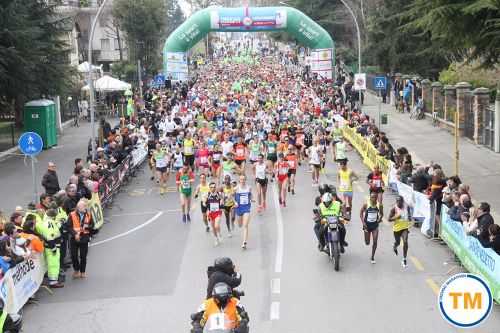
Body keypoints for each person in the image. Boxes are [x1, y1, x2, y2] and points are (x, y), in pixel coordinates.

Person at [36, 204, 64, 288]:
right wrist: (54, 248)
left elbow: (55, 227)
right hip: (52, 247)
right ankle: (53, 281)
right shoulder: (49, 223)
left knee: (51, 263)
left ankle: (53, 279)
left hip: (49, 246)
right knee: (53, 264)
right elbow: (50, 236)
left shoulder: (46, 221)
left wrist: (60, 223)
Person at [68, 200, 95, 279]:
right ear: (78, 207)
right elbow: (68, 226)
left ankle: (83, 271)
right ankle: (76, 270)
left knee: (83, 256)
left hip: (84, 238)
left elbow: (92, 225)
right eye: (84, 206)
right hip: (74, 238)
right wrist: (75, 234)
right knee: (73, 256)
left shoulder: (88, 215)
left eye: (86, 206)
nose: (85, 208)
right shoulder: (71, 215)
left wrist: (87, 227)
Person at [388, 196, 412, 268]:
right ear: (396, 202)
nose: (399, 203)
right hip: (397, 229)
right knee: (398, 242)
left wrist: (410, 219)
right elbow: (389, 219)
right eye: (398, 202)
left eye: (400, 201)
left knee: (405, 241)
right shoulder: (394, 209)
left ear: (403, 201)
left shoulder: (406, 207)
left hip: (404, 228)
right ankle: (395, 247)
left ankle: (404, 259)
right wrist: (395, 217)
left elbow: (409, 215)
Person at [360, 192, 383, 264]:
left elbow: (382, 214)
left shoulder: (379, 205)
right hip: (367, 225)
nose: (372, 199)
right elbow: (361, 213)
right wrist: (363, 223)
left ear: (376, 198)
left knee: (375, 241)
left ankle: (372, 257)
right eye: (371, 197)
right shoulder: (366, 204)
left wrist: (379, 219)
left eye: (374, 197)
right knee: (367, 243)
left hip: (375, 226)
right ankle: (367, 241)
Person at [234, 175, 253, 249]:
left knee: (245, 225)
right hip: (239, 208)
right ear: (239, 180)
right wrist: (234, 202)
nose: (243, 181)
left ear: (245, 180)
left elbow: (250, 195)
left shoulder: (249, 188)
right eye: (241, 179)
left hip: (246, 207)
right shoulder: (236, 188)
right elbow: (231, 196)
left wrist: (252, 199)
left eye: (244, 179)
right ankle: (239, 221)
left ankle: (244, 242)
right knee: (240, 225)